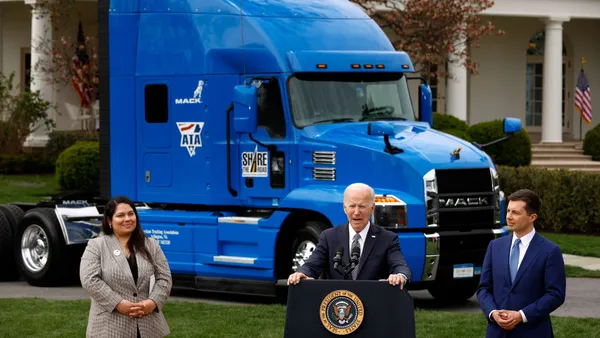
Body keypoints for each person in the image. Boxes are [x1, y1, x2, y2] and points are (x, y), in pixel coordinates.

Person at [476, 189, 566, 338]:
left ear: (532, 217)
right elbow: (484, 288)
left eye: (516, 213)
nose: (509, 217)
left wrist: (521, 315)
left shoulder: (550, 251)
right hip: (497, 332)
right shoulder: (495, 246)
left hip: (533, 332)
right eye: (508, 211)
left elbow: (555, 294)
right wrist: (493, 313)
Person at [80, 196, 172, 338]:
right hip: (109, 328)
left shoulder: (151, 245)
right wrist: (118, 303)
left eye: (131, 214)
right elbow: (89, 280)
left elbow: (164, 278)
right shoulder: (96, 246)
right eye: (120, 215)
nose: (127, 219)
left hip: (148, 327)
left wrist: (152, 302)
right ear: (110, 221)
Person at [287, 183, 412, 287]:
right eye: (352, 206)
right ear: (344, 208)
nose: (356, 212)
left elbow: (401, 267)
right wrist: (301, 273)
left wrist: (399, 276)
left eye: (362, 206)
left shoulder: (387, 238)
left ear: (372, 209)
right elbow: (312, 265)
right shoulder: (329, 236)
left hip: (373, 304)